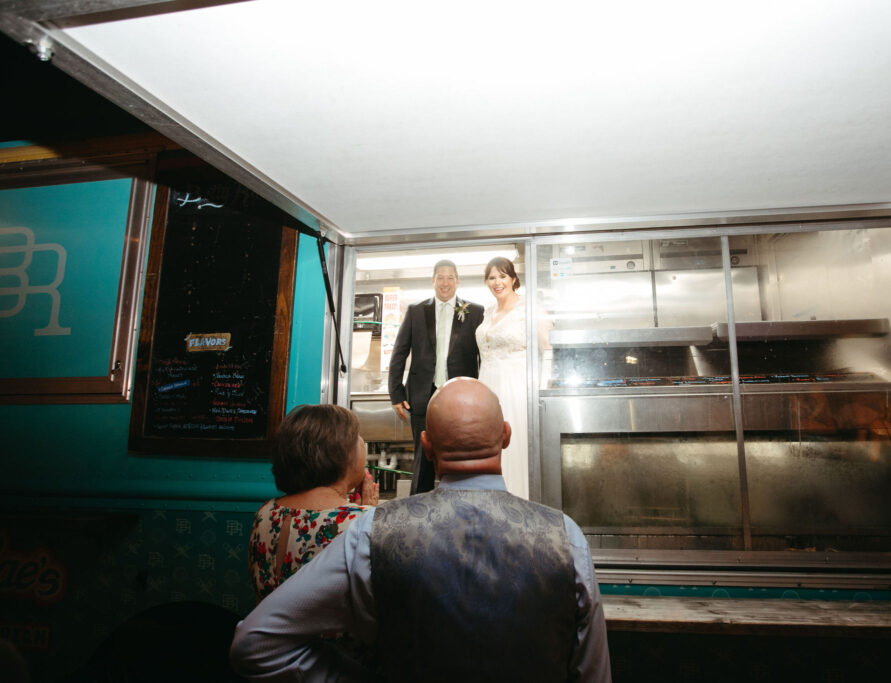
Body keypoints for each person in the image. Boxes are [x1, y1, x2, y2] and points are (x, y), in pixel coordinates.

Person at [231, 378, 612, 683]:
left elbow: (254, 643)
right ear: (506, 436)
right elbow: (592, 672)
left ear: (426, 446)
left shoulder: (371, 533)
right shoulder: (566, 536)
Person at [248, 404, 378, 599]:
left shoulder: (266, 512)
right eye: (357, 437)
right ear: (341, 453)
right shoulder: (361, 522)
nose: (362, 443)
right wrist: (369, 515)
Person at [388, 259, 484, 493]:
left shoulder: (475, 312)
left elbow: (484, 354)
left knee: (460, 453)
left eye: (450, 277)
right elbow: (400, 352)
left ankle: (461, 503)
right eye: (440, 277)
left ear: (458, 281)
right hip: (422, 393)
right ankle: (418, 509)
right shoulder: (416, 311)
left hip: (460, 395)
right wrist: (396, 394)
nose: (445, 282)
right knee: (424, 456)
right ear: (432, 280)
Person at [476, 256, 529, 498]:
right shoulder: (488, 312)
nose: (497, 282)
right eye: (491, 277)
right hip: (487, 385)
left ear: (514, 278)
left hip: (514, 386)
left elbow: (546, 348)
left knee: (513, 444)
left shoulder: (527, 308)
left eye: (502, 276)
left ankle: (517, 499)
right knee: (488, 444)